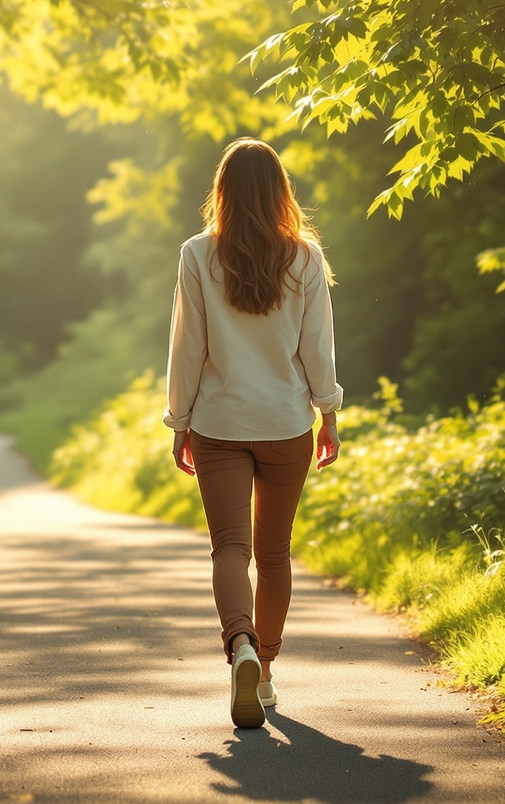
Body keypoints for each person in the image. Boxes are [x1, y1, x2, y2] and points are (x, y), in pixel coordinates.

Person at [165, 138, 342, 730]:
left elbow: (188, 345)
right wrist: (329, 412)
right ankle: (264, 672)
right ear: (280, 192)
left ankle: (239, 644)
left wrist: (179, 419)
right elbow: (317, 346)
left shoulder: (197, 254)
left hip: (218, 423)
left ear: (223, 192)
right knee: (274, 553)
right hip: (287, 423)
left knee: (230, 548)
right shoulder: (306, 258)